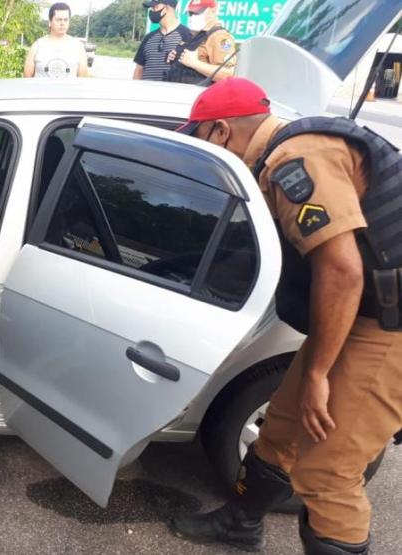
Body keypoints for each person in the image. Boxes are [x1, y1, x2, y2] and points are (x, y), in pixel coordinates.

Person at [169, 78, 402, 554]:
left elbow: (342, 272)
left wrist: (317, 371)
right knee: (280, 429)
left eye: (198, 139)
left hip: (390, 326)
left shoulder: (294, 160)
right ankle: (240, 524)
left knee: (328, 472)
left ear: (218, 131)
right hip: (369, 312)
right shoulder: (291, 148)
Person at [166, 0, 236, 84]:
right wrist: (176, 57)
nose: (192, 17)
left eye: (197, 13)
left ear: (213, 10)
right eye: (190, 13)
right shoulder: (198, 34)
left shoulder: (220, 36)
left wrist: (195, 64)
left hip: (199, 94)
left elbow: (228, 74)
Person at [23, 2, 88, 79]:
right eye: (58, 20)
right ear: (50, 22)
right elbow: (27, 77)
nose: (62, 23)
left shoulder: (78, 47)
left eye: (66, 20)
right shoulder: (37, 46)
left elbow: (82, 79)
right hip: (41, 91)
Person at [133, 0, 191, 81]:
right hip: (145, 92)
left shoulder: (187, 36)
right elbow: (139, 69)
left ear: (167, 8)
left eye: (155, 7)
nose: (151, 11)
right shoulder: (148, 38)